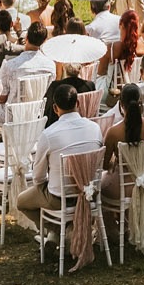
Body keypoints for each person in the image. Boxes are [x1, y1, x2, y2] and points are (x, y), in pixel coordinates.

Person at [14, 81, 104, 238]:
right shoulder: (95, 128)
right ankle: (62, 232)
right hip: (91, 192)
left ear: (55, 108)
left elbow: (38, 178)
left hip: (59, 197)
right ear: (78, 103)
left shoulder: (49, 135)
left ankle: (56, 232)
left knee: (21, 202)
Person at [100, 81, 144, 202]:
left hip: (122, 188)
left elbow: (104, 165)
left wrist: (115, 163)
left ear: (121, 104)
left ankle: (116, 218)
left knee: (98, 190)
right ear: (140, 102)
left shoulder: (113, 132)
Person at [0, 20, 54, 109]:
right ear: (44, 41)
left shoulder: (11, 65)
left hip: (12, 115)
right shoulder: (50, 66)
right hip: (37, 112)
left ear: (26, 38)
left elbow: (2, 98)